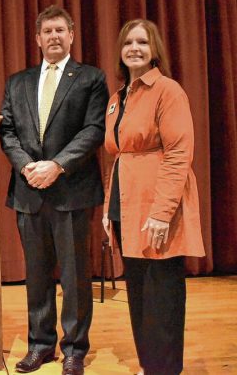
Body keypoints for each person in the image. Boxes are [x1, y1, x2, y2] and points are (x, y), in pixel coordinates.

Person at [0, 5, 109, 375]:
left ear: (71, 35)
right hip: (29, 191)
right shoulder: (18, 82)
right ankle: (40, 345)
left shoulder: (91, 78)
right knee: (37, 274)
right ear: (37, 39)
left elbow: (93, 130)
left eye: (60, 30)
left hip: (72, 191)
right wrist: (26, 167)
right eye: (47, 32)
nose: (54, 37)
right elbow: (7, 130)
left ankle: (75, 349)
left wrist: (56, 166)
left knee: (76, 276)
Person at [102, 19, 205, 375]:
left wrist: (162, 212)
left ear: (154, 48)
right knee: (139, 296)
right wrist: (107, 207)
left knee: (162, 296)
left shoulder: (168, 90)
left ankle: (164, 369)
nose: (134, 48)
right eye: (128, 42)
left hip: (157, 205)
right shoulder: (118, 98)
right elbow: (117, 155)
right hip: (125, 205)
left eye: (142, 42)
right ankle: (150, 366)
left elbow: (178, 155)